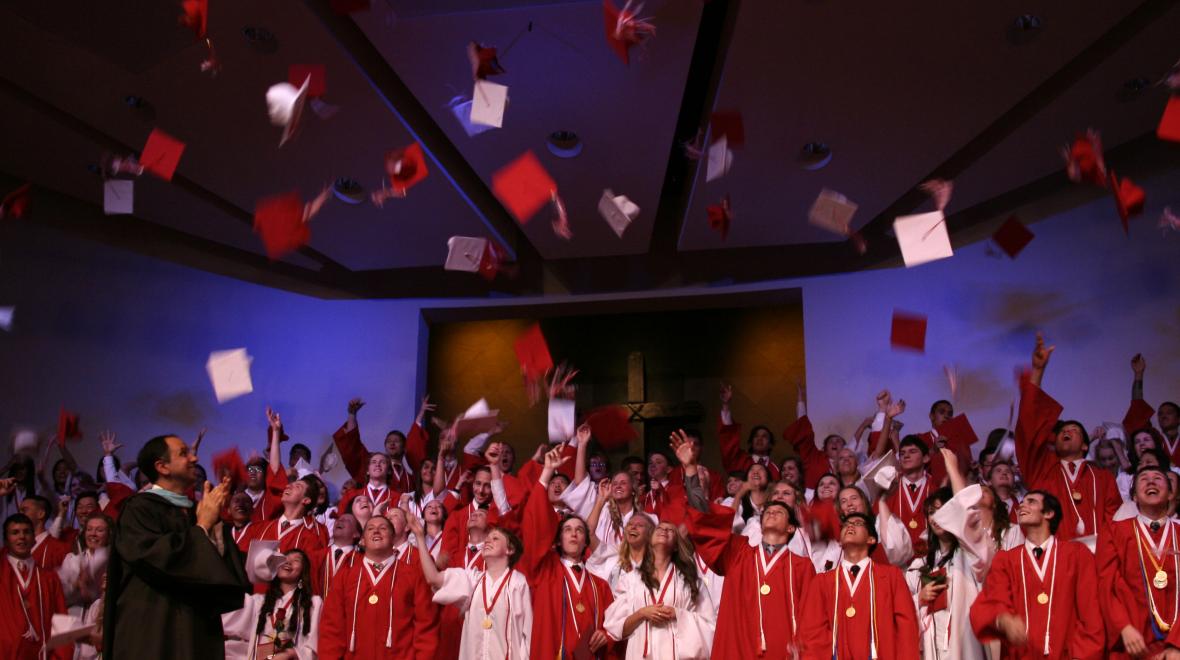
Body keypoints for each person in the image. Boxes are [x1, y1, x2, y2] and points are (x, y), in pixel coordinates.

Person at [103, 434, 250, 659]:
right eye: (183, 453)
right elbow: (155, 558)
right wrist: (202, 527)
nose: (194, 458)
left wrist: (215, 526)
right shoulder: (139, 508)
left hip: (196, 631)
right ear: (162, 467)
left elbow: (225, 572)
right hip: (153, 630)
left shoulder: (196, 510)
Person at [685, 431, 814, 660]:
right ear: (759, 525)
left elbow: (812, 620)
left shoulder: (802, 567)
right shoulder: (738, 552)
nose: (772, 511)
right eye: (768, 511)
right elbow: (704, 522)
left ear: (791, 528)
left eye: (780, 511)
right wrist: (690, 471)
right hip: (737, 652)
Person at [970, 491, 1104, 658]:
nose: (1022, 505)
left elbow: (1091, 612)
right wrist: (1003, 619)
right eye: (1022, 502)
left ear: (1049, 513)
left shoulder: (1077, 555)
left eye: (1031, 501)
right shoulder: (1006, 560)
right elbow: (990, 601)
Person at [1016, 333, 1120, 550]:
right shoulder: (1043, 470)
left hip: (1098, 558)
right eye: (1062, 430)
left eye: (1074, 430)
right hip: (1054, 558)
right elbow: (1029, 425)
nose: (1066, 431)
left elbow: (1115, 522)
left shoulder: (1103, 478)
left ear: (1085, 445)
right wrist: (1038, 371)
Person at [521, 447, 615, 658]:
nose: (574, 534)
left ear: (586, 542)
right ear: (558, 540)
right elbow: (535, 528)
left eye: (580, 530)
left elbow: (614, 627)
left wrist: (606, 635)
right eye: (568, 530)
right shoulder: (545, 571)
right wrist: (546, 471)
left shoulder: (600, 586)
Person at [798, 512, 920, 659]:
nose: (850, 526)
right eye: (846, 525)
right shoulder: (822, 583)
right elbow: (812, 634)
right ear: (840, 542)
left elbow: (906, 627)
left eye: (857, 523)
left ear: (871, 539)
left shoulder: (891, 577)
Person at [317, 514, 439, 659]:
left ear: (393, 538)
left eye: (383, 528)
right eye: (370, 529)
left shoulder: (413, 575)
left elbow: (426, 626)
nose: (376, 531)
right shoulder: (345, 576)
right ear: (362, 540)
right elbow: (332, 628)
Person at [411, 517, 532, 660]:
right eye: (487, 539)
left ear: (510, 549)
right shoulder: (473, 580)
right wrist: (420, 537)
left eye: (495, 538)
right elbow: (433, 578)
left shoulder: (518, 582)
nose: (488, 541)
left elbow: (528, 632)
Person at [1098, 466, 1180, 658]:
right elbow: (1106, 583)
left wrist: (1177, 644)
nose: (1151, 481)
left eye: (1158, 478)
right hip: (1133, 644)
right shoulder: (1114, 531)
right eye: (1143, 479)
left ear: (1170, 494)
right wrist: (1124, 627)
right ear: (1134, 496)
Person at [604, 519, 716, 659]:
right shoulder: (631, 579)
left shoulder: (691, 582)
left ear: (676, 546)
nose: (664, 530)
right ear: (650, 542)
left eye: (670, 530)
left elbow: (709, 626)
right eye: (659, 528)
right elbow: (617, 628)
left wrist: (678, 614)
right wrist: (642, 613)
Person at [222, 549, 322, 660]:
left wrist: (290, 654)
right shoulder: (259, 603)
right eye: (284, 559)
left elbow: (314, 645)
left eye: (296, 560)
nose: (288, 562)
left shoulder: (313, 603)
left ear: (303, 571)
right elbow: (225, 607)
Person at [0, 513, 71, 659]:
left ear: (34, 538)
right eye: (15, 533)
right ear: (6, 540)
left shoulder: (49, 578)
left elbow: (62, 623)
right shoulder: (2, 575)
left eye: (26, 532)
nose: (21, 537)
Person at [718, 383, 782, 482]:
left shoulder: (776, 470)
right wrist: (726, 405)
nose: (760, 439)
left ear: (770, 444)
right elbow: (728, 442)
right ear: (751, 442)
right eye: (756, 436)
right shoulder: (739, 460)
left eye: (764, 436)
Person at [312, 512, 360, 597]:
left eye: (347, 520)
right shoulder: (315, 556)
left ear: (356, 534)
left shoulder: (360, 560)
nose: (340, 521)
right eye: (338, 519)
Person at [18, 495, 70, 570]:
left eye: (24, 510)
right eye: (19, 511)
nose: (19, 514)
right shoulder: (12, 548)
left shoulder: (60, 550)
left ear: (41, 514)